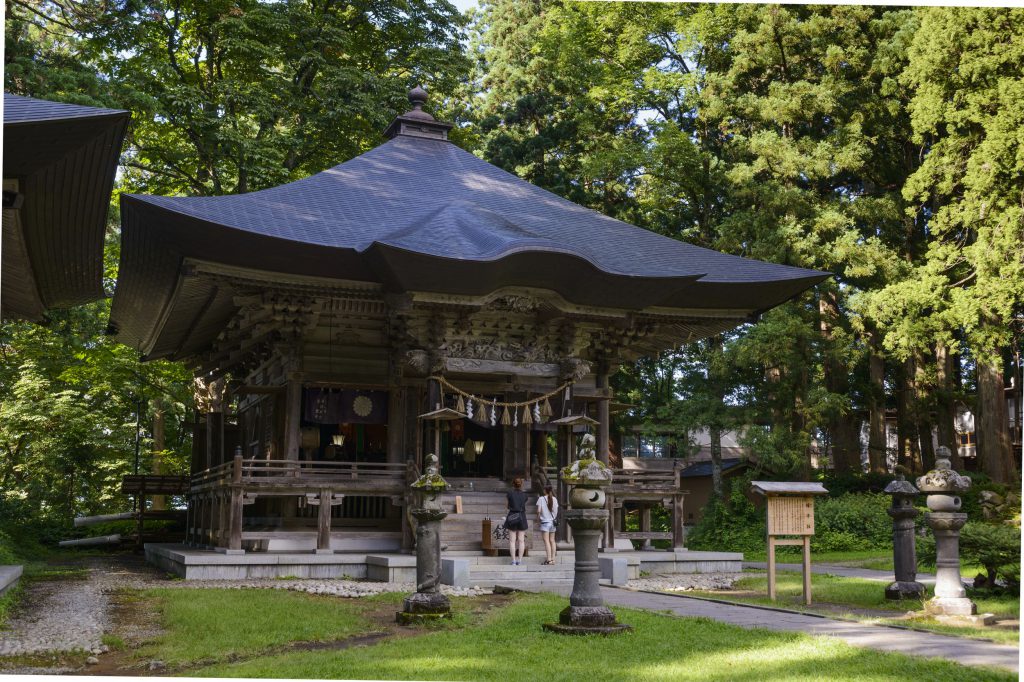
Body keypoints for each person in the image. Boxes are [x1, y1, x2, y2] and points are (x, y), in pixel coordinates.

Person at [505, 477, 529, 565]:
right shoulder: (525, 495)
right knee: (521, 540)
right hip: (522, 516)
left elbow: (507, 506)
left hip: (512, 516)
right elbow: (523, 503)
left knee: (512, 541)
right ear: (521, 484)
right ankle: (520, 560)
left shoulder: (509, 493)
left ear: (513, 484)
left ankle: (513, 561)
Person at [536, 484, 558, 565]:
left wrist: (538, 520)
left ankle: (548, 559)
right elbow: (556, 511)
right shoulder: (554, 499)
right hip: (552, 522)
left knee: (546, 541)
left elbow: (538, 511)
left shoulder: (541, 499)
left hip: (545, 522)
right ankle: (553, 559)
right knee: (552, 540)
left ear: (545, 490)